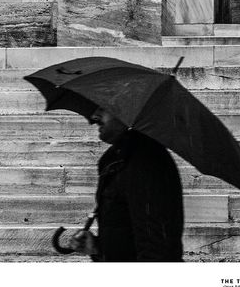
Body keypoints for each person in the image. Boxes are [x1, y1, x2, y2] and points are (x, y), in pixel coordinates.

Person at [71, 107, 184, 262]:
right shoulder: (117, 158)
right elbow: (126, 234)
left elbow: (156, 245)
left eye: (103, 109)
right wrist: (98, 248)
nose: (94, 116)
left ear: (127, 112)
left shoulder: (146, 160)